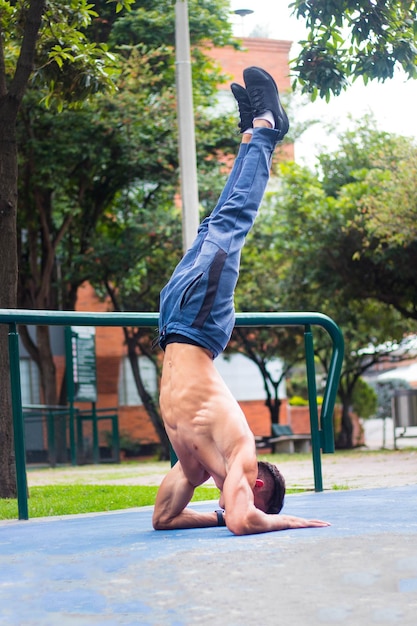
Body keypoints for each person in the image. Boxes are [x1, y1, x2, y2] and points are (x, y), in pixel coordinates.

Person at [153, 67, 330, 535]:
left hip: (173, 320)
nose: (248, 485)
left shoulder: (192, 468)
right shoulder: (243, 454)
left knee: (214, 224)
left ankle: (252, 132)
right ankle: (270, 129)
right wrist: (288, 523)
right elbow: (242, 522)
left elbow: (163, 519)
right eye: (255, 487)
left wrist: (215, 514)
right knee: (231, 221)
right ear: (258, 490)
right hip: (197, 322)